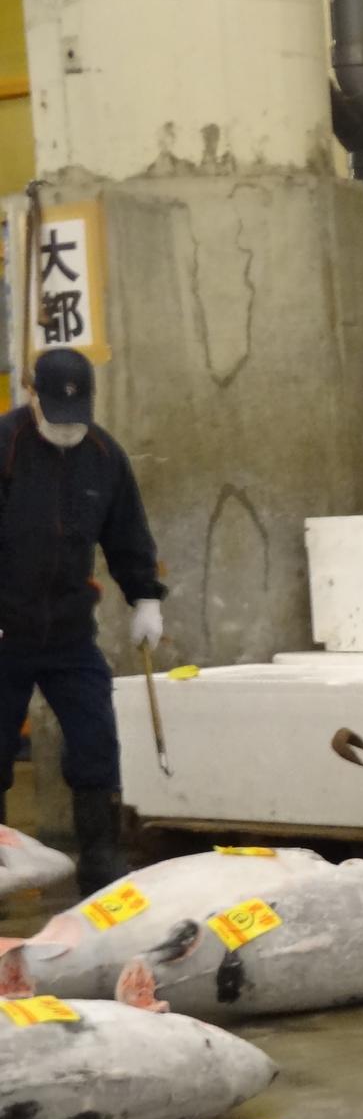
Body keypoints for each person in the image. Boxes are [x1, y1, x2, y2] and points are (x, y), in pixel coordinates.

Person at [0, 348, 166, 893]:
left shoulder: (104, 456)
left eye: (77, 417)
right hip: (5, 630)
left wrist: (145, 597)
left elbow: (127, 533)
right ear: (32, 396)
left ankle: (100, 861)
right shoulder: (5, 444)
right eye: (56, 416)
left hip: (70, 633)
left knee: (96, 739)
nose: (68, 428)